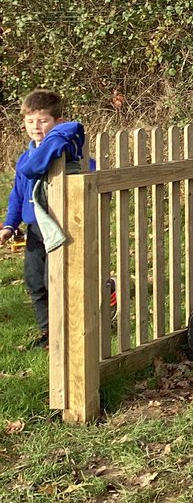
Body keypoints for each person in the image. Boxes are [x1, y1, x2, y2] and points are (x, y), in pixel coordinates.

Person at [0, 89, 88, 350]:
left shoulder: (65, 151)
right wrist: (8, 225)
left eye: (43, 120)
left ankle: (70, 328)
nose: (36, 127)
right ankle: (48, 332)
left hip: (60, 225)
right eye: (30, 121)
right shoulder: (25, 158)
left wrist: (61, 134)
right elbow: (17, 195)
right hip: (35, 229)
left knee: (59, 279)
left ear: (57, 122)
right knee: (35, 281)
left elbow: (79, 142)